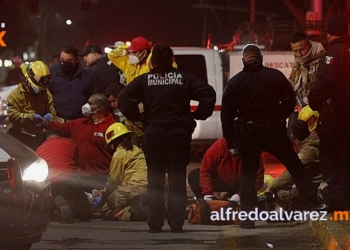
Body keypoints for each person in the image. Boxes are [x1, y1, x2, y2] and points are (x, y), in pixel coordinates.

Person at [118, 44, 216, 233]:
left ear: (152, 61)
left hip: (154, 134)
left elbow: (124, 98)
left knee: (154, 179)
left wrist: (138, 117)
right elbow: (208, 92)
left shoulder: (145, 80)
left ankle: (155, 223)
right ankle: (176, 223)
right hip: (178, 134)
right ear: (172, 60)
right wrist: (198, 114)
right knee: (177, 179)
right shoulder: (183, 78)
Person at [221, 44, 317, 229]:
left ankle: (248, 219)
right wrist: (278, 116)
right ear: (261, 58)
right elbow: (290, 100)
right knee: (295, 167)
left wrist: (230, 138)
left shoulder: (236, 82)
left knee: (248, 175)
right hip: (273, 131)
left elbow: (226, 113)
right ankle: (312, 204)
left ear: (244, 60)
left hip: (248, 134)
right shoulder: (275, 77)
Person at [308, 13, 350, 211]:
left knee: (333, 159)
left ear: (329, 34)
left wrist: (314, 103)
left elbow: (322, 84)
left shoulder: (333, 54)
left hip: (337, 117)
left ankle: (334, 201)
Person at [47, 93, 114, 192]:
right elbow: (59, 128)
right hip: (81, 177)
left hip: (102, 177)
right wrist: (46, 122)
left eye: (90, 103)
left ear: (98, 108)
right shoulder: (79, 124)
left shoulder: (112, 126)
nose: (86, 106)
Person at [36, 130, 92, 223]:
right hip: (68, 180)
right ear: (60, 136)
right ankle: (69, 205)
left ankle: (56, 205)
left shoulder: (39, 149)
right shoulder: (70, 143)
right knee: (85, 214)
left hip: (49, 184)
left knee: (49, 198)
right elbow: (77, 163)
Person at [96, 122, 148, 221]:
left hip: (132, 189)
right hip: (148, 188)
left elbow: (113, 182)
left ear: (113, 143)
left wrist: (102, 195)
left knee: (106, 211)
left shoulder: (119, 154)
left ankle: (128, 213)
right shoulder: (137, 150)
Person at [188, 137, 265, 203]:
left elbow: (257, 180)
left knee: (250, 205)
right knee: (194, 176)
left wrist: (240, 195)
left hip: (242, 184)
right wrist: (207, 194)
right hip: (222, 180)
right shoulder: (218, 147)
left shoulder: (254, 153)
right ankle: (204, 205)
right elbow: (205, 170)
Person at [268, 118, 322, 211]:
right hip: (312, 183)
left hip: (314, 187)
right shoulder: (310, 145)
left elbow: (290, 174)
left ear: (293, 136)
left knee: (281, 194)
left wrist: (271, 188)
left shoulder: (308, 151)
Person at [7, 61, 56, 150]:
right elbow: (12, 116)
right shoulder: (16, 95)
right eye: (36, 87)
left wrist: (49, 117)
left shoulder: (45, 93)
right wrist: (30, 117)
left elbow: (52, 111)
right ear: (27, 80)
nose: (38, 90)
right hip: (19, 137)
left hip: (38, 137)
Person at [287, 32, 325, 140]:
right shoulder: (297, 63)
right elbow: (293, 81)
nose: (299, 54)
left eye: (302, 50)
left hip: (317, 112)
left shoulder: (322, 60)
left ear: (309, 45)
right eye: (295, 51)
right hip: (300, 111)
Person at [48, 44, 92, 122]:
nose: (65, 63)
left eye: (69, 61)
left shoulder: (86, 76)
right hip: (57, 121)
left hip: (78, 122)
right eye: (62, 59)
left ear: (76, 60)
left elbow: (91, 97)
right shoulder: (51, 73)